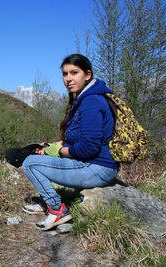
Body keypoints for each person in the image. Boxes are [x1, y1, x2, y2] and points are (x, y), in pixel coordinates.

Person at [22, 54, 119, 231]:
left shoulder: (91, 101)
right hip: (95, 165)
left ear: (87, 74)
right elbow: (82, 137)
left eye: (74, 72)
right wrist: (54, 146)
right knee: (35, 158)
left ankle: (56, 209)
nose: (68, 79)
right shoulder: (87, 97)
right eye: (65, 74)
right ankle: (47, 201)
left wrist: (58, 152)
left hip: (98, 168)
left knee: (30, 164)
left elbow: (89, 147)